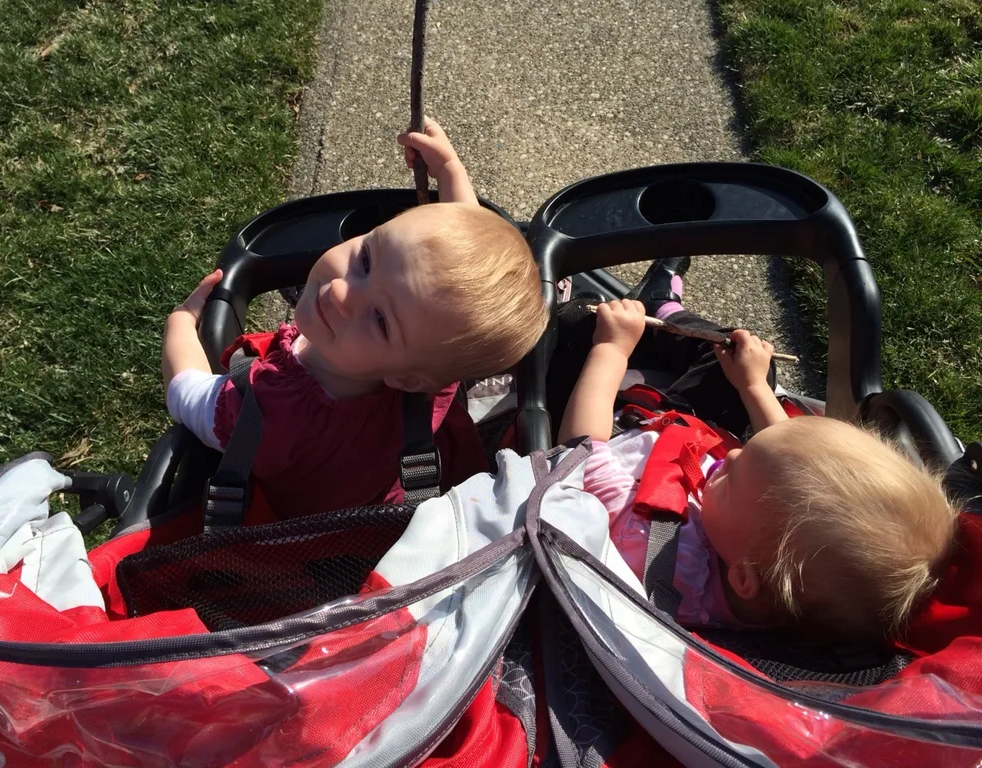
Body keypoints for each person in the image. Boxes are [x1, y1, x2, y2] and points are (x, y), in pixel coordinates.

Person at [162, 118, 549, 518]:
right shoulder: (426, 358)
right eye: (365, 260)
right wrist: (450, 172)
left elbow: (185, 393)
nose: (340, 292)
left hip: (310, 528)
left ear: (409, 379)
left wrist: (181, 323)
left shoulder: (269, 411)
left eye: (380, 320)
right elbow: (451, 284)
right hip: (417, 482)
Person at [557, 258, 959, 642]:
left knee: (576, 322)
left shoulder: (661, 553)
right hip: (687, 436)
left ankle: (637, 315)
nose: (732, 455)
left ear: (744, 577)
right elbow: (790, 462)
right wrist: (752, 386)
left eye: (731, 478)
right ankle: (663, 307)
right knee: (746, 362)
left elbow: (580, 453)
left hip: (623, 428)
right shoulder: (763, 562)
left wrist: (612, 349)